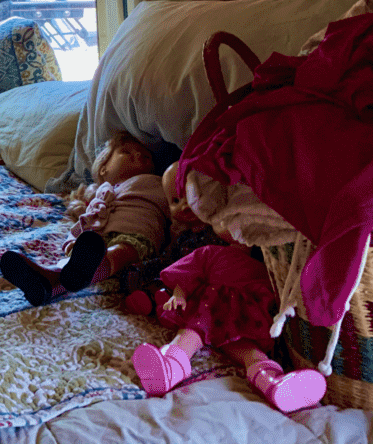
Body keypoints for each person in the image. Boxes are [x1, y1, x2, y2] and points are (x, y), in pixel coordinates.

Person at [131, 165, 326, 414]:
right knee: (189, 335)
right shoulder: (208, 252)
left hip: (246, 313)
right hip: (209, 305)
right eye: (224, 219)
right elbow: (186, 274)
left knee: (249, 351)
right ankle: (170, 366)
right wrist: (178, 296)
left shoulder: (264, 256)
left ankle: (275, 384)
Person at [0, 131, 170, 306]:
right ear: (104, 168)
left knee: (121, 250)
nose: (138, 155)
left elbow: (175, 206)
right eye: (126, 152)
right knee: (76, 266)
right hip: (93, 239)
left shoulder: (157, 183)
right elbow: (82, 206)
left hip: (136, 234)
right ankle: (48, 282)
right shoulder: (99, 190)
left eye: (146, 156)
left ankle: (82, 267)